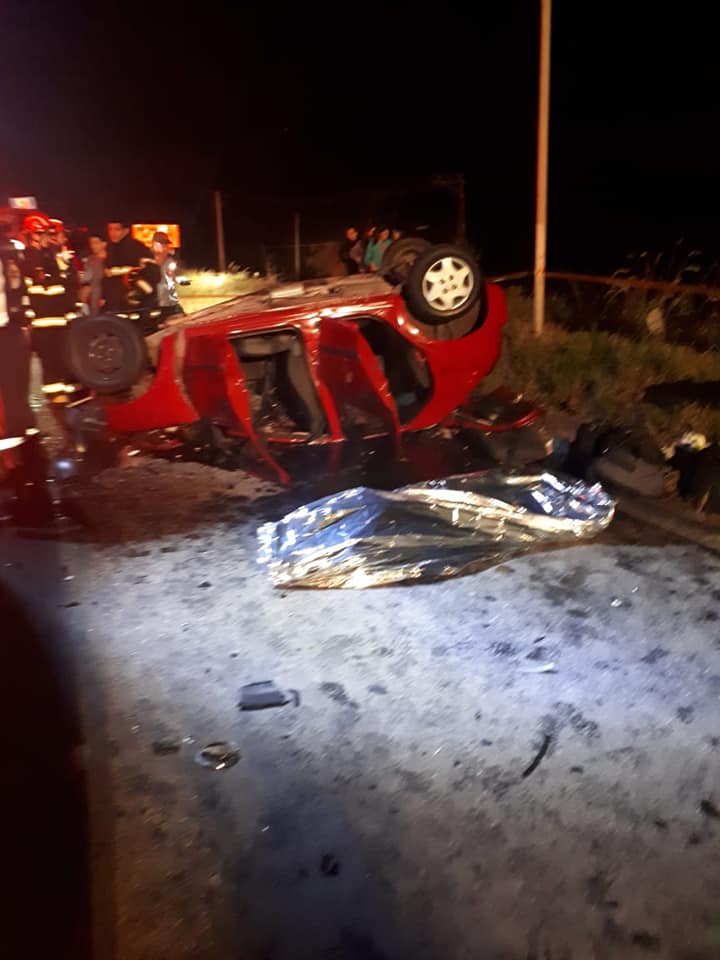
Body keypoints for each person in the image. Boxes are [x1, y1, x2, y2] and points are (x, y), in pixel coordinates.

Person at [22, 214, 78, 401]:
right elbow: (42, 282)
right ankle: (56, 398)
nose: (48, 237)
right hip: (43, 320)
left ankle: (68, 394)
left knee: (63, 358)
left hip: (58, 317)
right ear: (33, 236)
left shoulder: (49, 255)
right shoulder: (30, 257)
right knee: (50, 361)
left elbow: (67, 284)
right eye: (44, 234)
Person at [103, 220, 151, 311]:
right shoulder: (107, 247)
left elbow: (145, 268)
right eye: (110, 229)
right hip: (111, 296)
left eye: (117, 229)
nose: (112, 233)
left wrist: (120, 271)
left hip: (131, 293)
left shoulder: (136, 246)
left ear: (126, 231)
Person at [151, 231, 184, 323]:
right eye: (162, 244)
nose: (165, 247)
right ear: (154, 244)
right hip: (153, 303)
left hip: (169, 301)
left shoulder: (170, 260)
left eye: (166, 245)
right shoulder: (147, 259)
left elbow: (173, 277)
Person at [81, 233, 107, 316]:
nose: (93, 246)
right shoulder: (90, 260)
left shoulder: (110, 260)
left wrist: (105, 296)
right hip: (92, 297)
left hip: (105, 297)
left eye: (96, 243)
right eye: (91, 243)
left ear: (104, 244)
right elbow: (86, 278)